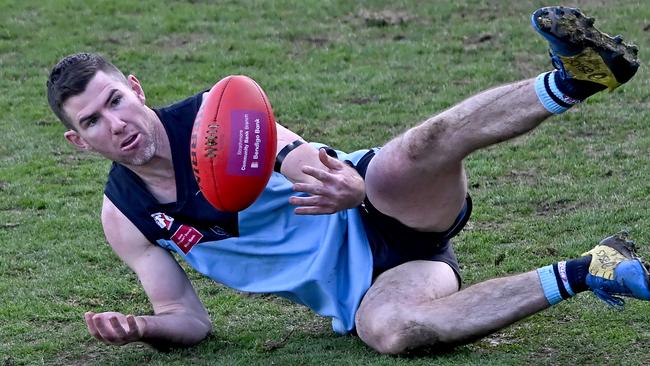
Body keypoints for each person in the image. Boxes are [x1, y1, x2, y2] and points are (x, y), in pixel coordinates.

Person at [47, 6, 648, 354]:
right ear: (79, 142)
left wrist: (343, 185)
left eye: (116, 100)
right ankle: (589, 269)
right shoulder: (124, 216)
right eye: (93, 121)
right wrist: (143, 328)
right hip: (374, 284)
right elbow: (189, 319)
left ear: (136, 87)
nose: (116, 123)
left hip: (371, 198)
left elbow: (295, 156)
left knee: (417, 147)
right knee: (388, 332)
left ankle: (576, 79)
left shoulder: (215, 115)